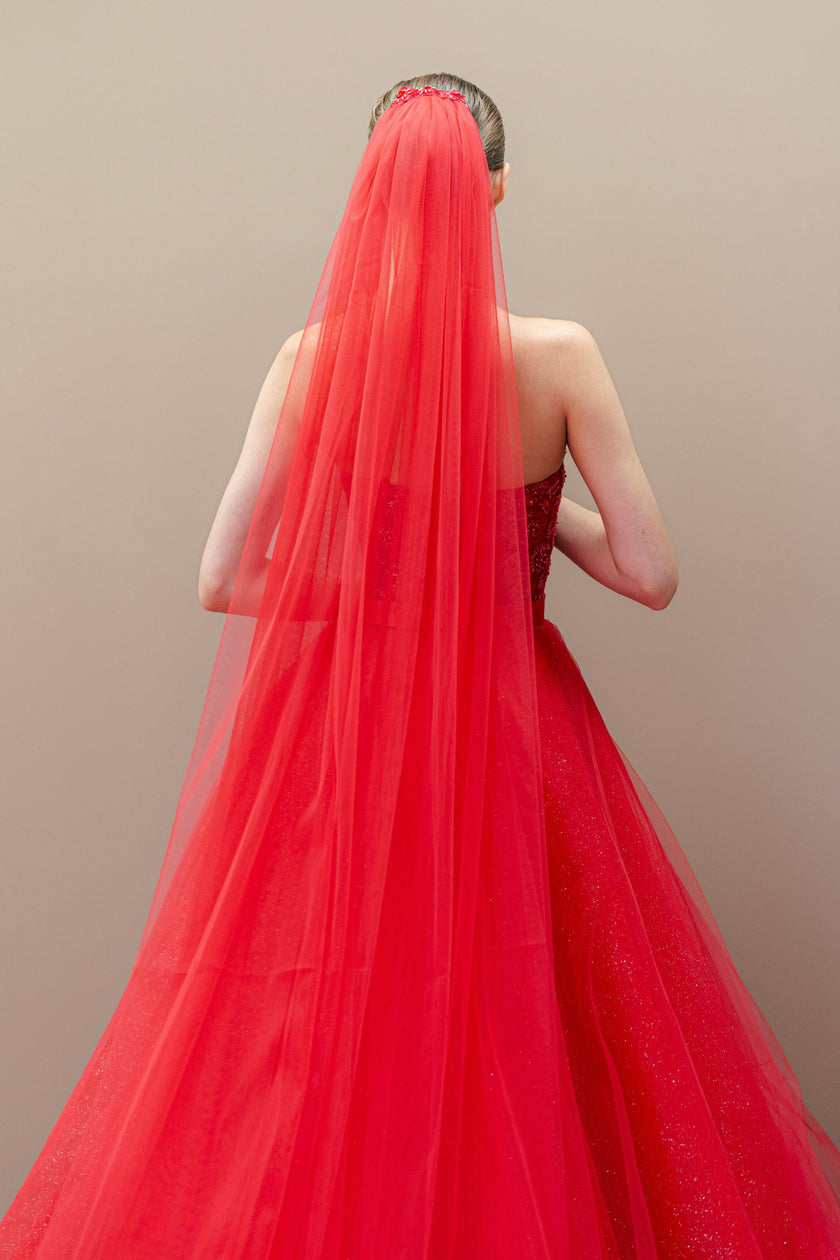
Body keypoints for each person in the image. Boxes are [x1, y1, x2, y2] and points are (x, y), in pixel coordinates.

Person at [1, 73, 839, 1260]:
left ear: (376, 192)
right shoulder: (560, 356)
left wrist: (394, 586)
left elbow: (225, 576)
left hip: (354, 740)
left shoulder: (312, 360)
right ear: (493, 186)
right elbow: (651, 573)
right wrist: (522, 536)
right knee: (530, 1018)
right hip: (518, 734)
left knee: (335, 1021)